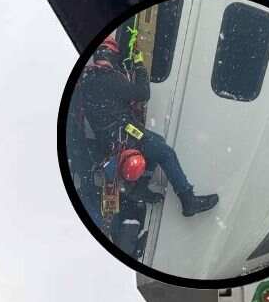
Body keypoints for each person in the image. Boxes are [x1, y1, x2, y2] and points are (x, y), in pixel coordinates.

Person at [71, 36, 219, 219]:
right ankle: (188, 200)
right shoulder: (111, 79)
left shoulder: (88, 80)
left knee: (158, 142)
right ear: (111, 56)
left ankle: (140, 187)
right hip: (123, 135)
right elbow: (143, 93)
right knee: (165, 152)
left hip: (111, 137)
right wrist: (140, 65)